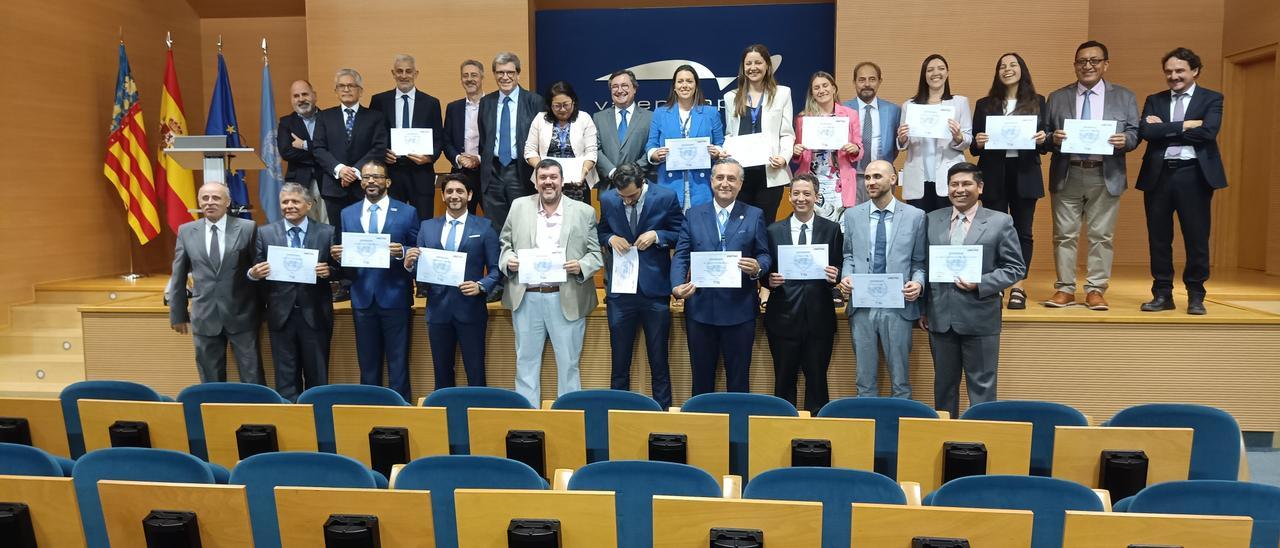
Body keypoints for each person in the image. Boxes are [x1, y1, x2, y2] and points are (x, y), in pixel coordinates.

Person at [921, 163, 1025, 417]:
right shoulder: (932, 220)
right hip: (940, 318)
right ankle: (944, 441)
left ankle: (979, 440)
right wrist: (924, 308)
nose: (959, 190)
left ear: (979, 187)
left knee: (982, 388)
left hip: (980, 317)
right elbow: (924, 264)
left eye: (966, 184)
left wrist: (981, 283)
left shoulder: (1000, 221)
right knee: (944, 388)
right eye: (954, 185)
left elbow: (1015, 268)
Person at [1043, 40, 1140, 311]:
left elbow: (1135, 132)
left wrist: (1126, 140)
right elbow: (1045, 136)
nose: (1088, 66)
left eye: (1094, 61)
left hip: (1105, 174)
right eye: (1081, 61)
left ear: (1105, 64)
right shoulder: (1057, 97)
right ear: (1075, 65)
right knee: (1064, 235)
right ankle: (1064, 289)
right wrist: (1054, 138)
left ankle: (1096, 289)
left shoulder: (1124, 96)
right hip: (1067, 173)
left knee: (1102, 235)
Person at [499, 159, 603, 406]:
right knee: (525, 362)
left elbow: (596, 255)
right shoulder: (518, 207)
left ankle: (568, 420)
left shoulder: (584, 211)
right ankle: (528, 424)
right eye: (543, 177)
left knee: (569, 364)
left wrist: (581, 266)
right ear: (535, 181)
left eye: (553, 177)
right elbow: (505, 245)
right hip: (527, 297)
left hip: (565, 296)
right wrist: (509, 260)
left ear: (562, 181)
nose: (548, 182)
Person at [1137, 47, 1226, 316]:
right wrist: (1186, 125)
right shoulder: (1155, 99)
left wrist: (1164, 128)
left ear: (1195, 71)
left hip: (1194, 175)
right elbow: (1146, 131)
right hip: (1159, 174)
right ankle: (1162, 293)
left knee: (1197, 237)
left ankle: (1196, 295)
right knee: (1159, 238)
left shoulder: (1212, 98)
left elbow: (1208, 133)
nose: (1173, 76)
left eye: (1179, 71)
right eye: (1169, 71)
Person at [671, 159, 771, 395]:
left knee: (738, 382)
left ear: (740, 184)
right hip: (701, 309)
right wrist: (676, 286)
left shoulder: (754, 215)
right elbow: (681, 255)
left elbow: (764, 254)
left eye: (731, 179)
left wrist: (758, 267)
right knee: (701, 381)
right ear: (711, 180)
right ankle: (702, 429)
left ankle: (737, 429)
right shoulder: (694, 214)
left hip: (740, 311)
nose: (725, 183)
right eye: (720, 178)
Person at [838, 160, 926, 399]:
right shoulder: (853, 215)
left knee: (900, 380)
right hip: (863, 304)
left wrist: (918, 283)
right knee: (864, 380)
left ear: (893, 179)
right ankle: (865, 431)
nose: (870, 182)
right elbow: (848, 255)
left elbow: (919, 262)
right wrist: (846, 276)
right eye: (867, 178)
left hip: (897, 305)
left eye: (877, 176)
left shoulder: (915, 216)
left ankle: (899, 431)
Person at [597, 164, 683, 408]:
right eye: (622, 197)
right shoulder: (608, 199)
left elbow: (680, 232)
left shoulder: (665, 197)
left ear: (643, 182)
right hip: (620, 292)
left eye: (632, 196)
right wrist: (611, 238)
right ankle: (618, 413)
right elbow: (601, 230)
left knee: (659, 360)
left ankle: (661, 413)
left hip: (654, 291)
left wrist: (657, 236)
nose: (627, 201)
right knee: (619, 361)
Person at [404, 174, 501, 389]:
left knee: (475, 371)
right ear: (443, 196)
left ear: (470, 195)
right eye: (449, 191)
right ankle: (444, 417)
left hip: (471, 309)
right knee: (441, 371)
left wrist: (481, 286)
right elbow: (420, 271)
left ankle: (478, 415)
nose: (454, 195)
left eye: (459, 191)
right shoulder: (427, 227)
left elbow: (496, 270)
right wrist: (410, 265)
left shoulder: (485, 227)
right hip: (438, 310)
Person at [332, 161, 419, 401]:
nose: (371, 181)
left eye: (377, 177)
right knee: (367, 364)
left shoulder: (406, 212)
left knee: (398, 362)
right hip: (361, 297)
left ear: (387, 182)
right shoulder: (347, 213)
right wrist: (339, 256)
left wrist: (402, 251)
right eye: (367, 177)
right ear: (361, 182)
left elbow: (418, 249)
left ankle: (400, 411)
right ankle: (368, 409)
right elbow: (347, 253)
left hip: (395, 295)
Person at [970, 53, 1049, 310]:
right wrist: (978, 142)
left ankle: (1018, 286)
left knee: (1023, 231)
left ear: (1022, 70)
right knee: (993, 231)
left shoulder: (1038, 101)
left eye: (1013, 65)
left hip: (1025, 172)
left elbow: (1046, 141)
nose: (1007, 69)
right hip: (993, 172)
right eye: (1002, 65)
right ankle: (996, 284)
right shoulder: (985, 104)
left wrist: (1042, 138)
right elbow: (974, 146)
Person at [247, 183, 338, 401]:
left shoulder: (327, 232)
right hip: (281, 316)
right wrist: (253, 273)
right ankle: (291, 425)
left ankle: (319, 422)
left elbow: (342, 270)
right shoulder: (264, 233)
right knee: (285, 378)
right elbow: (255, 269)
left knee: (317, 378)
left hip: (315, 315)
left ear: (308, 205)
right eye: (285, 202)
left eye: (295, 201)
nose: (289, 206)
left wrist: (330, 271)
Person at [167, 182, 263, 384]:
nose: (210, 202)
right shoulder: (186, 231)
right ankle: (213, 415)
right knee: (210, 379)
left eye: (216, 198)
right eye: (205, 198)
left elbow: (258, 271)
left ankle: (257, 414)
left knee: (252, 376)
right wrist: (178, 313)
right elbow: (178, 275)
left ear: (227, 202)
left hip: (242, 315)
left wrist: (264, 310)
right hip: (204, 316)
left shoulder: (247, 228)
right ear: (199, 202)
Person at [763, 174, 843, 412]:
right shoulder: (773, 231)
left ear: (816, 197)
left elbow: (839, 267)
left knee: (818, 382)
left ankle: (816, 438)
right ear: (789, 196)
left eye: (807, 194)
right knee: (784, 382)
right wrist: (769, 280)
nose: (801, 198)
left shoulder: (832, 229)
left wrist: (834, 276)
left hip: (819, 319)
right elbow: (766, 269)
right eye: (796, 193)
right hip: (783, 318)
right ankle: (782, 433)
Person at [724, 44, 795, 223]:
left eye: (758, 62)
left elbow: (787, 133)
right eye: (748, 63)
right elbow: (730, 134)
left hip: (770, 172)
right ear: (743, 67)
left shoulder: (782, 94)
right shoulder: (731, 97)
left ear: (767, 66)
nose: (753, 67)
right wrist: (725, 151)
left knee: (766, 224)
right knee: (740, 226)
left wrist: (784, 157)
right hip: (740, 174)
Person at [312, 68, 388, 233]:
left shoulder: (375, 117)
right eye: (341, 86)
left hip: (365, 186)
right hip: (334, 187)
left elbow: (379, 147)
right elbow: (318, 148)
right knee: (337, 237)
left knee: (364, 232)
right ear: (336, 91)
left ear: (360, 91)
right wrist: (340, 170)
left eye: (351, 86)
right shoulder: (324, 117)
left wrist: (354, 171)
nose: (346, 90)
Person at [369, 54, 444, 221]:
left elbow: (438, 138)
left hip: (421, 172)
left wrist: (429, 157)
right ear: (393, 73)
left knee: (424, 220)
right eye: (399, 71)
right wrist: (382, 153)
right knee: (393, 221)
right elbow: (372, 135)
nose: (404, 76)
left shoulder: (431, 103)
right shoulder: (379, 101)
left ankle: (421, 248)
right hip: (391, 172)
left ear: (416, 74)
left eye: (408, 71)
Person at [897, 54, 973, 213]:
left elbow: (968, 139)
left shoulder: (959, 102)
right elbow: (903, 144)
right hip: (918, 176)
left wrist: (958, 136)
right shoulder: (910, 106)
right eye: (930, 70)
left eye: (941, 68)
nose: (935, 73)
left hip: (949, 175)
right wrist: (902, 138)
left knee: (947, 228)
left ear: (947, 72)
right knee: (919, 227)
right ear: (924, 75)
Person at [479, 52, 546, 231]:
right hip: (492, 173)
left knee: (524, 225)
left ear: (518, 73)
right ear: (494, 74)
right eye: (500, 72)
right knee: (495, 228)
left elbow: (542, 139)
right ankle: (499, 260)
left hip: (521, 171)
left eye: (510, 72)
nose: (505, 77)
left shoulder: (534, 101)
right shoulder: (486, 102)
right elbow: (484, 139)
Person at [645, 64, 726, 211]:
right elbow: (651, 144)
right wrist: (655, 154)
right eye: (680, 81)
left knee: (700, 230)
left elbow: (720, 142)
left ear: (696, 85)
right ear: (674, 86)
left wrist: (717, 152)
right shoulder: (660, 113)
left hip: (702, 185)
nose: (684, 85)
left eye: (689, 81)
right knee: (673, 230)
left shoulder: (711, 113)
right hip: (670, 184)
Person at [792, 70, 864, 223]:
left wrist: (855, 148)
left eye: (825, 86)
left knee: (840, 228)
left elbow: (859, 147)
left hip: (840, 182)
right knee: (814, 227)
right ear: (812, 92)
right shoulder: (803, 118)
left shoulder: (850, 115)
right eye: (816, 87)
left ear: (834, 88)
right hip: (812, 180)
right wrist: (796, 152)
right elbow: (798, 156)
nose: (821, 90)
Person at [524, 81, 599, 204]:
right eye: (557, 106)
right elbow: (529, 150)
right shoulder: (540, 119)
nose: (562, 109)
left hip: (578, 183)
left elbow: (591, 152)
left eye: (566, 105)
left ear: (573, 102)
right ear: (550, 105)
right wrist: (542, 170)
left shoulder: (584, 118)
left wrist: (584, 171)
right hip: (547, 183)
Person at [592, 69, 653, 189]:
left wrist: (632, 174)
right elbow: (595, 149)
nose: (619, 90)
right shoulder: (598, 118)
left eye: (625, 85)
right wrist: (613, 173)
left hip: (640, 185)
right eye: (615, 86)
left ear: (634, 88)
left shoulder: (650, 117)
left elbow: (651, 148)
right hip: (609, 187)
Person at [277, 80, 325, 222]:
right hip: (298, 181)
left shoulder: (329, 118)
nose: (301, 99)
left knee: (326, 224)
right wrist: (320, 153)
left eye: (305, 94)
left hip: (326, 180)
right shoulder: (285, 123)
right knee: (301, 224)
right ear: (292, 99)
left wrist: (305, 145)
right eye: (296, 96)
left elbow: (334, 148)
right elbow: (286, 152)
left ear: (314, 96)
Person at [443, 60, 485, 214]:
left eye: (474, 75)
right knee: (462, 217)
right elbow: (446, 141)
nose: (469, 79)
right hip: (461, 172)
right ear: (461, 80)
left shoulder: (492, 105)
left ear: (482, 77)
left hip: (487, 172)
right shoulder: (453, 108)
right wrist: (458, 158)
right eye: (465, 75)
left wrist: (478, 159)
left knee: (494, 219)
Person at [844, 61, 902, 170]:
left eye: (872, 79)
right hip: (850, 174)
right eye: (861, 80)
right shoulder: (843, 110)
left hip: (883, 175)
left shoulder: (893, 111)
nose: (867, 84)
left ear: (880, 81)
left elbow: (896, 147)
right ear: (854, 82)